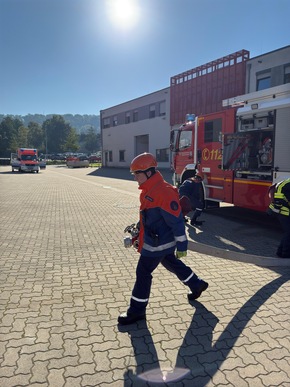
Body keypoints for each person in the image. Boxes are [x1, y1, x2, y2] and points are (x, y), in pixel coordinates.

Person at [118, 153, 208, 325]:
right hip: (159, 241)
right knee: (171, 263)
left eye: (137, 173)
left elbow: (176, 221)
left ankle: (136, 311)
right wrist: (138, 229)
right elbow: (150, 216)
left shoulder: (163, 192)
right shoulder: (149, 189)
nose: (135, 177)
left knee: (143, 273)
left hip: (157, 245)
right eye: (134, 173)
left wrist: (182, 245)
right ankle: (196, 284)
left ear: (149, 172)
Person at [268, 178, 290, 258]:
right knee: (289, 233)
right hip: (283, 211)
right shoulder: (287, 184)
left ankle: (280, 252)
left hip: (283, 211)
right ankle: (286, 254)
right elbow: (282, 198)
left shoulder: (287, 183)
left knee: (288, 232)